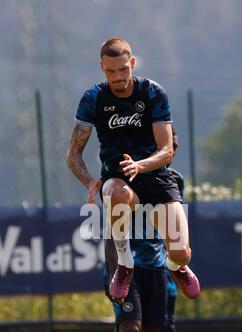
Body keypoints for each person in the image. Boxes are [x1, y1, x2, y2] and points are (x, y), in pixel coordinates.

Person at [67, 37, 200, 305]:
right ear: (102, 67)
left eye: (123, 69)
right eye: (111, 71)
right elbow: (73, 155)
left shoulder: (153, 93)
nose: (118, 77)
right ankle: (125, 264)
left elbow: (167, 150)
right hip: (120, 179)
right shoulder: (93, 98)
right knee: (113, 191)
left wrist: (140, 165)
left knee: (181, 252)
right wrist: (90, 181)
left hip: (156, 177)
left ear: (133, 63)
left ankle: (175, 266)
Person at [67, 168, 203, 332]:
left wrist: (177, 265)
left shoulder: (172, 182)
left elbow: (173, 233)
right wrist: (113, 270)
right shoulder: (119, 182)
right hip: (128, 272)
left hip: (158, 272)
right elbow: (111, 229)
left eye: (170, 144)